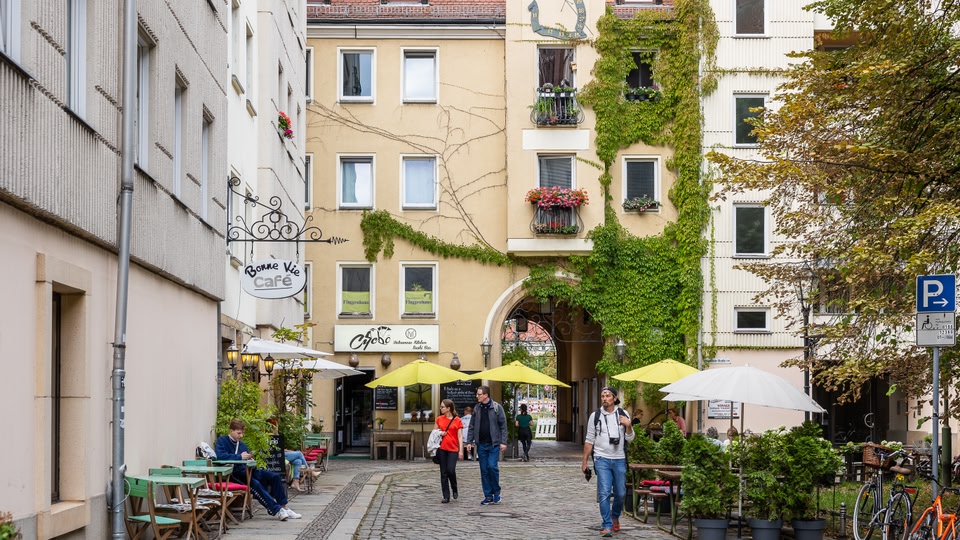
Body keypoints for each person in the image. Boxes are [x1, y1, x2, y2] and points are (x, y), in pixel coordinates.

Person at [215, 419, 302, 521]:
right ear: (231, 431)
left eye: (242, 433)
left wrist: (250, 460)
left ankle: (284, 508)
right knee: (255, 484)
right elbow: (220, 456)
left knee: (274, 476)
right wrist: (239, 457)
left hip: (248, 470)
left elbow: (244, 457)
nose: (241, 436)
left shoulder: (242, 445)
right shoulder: (222, 441)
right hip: (234, 474)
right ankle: (277, 510)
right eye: (239, 433)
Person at [582, 386, 635, 537]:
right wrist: (584, 462)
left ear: (615, 398)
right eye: (602, 395)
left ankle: (615, 515)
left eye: (608, 395)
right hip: (601, 459)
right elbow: (589, 439)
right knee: (604, 492)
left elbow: (630, 439)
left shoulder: (623, 414)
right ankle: (607, 525)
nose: (604, 398)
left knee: (620, 493)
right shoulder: (595, 415)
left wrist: (629, 426)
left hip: (619, 459)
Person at [465, 385, 508, 505]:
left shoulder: (496, 408)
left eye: (479, 394)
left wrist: (503, 442)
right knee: (484, 470)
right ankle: (488, 496)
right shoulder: (477, 408)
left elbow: (503, 426)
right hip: (481, 445)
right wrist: (469, 442)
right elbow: (472, 426)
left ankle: (497, 493)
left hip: (494, 444)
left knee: (492, 467)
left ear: (486, 395)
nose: (477, 396)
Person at [267, 418, 308, 492]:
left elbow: (280, 448)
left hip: (280, 454)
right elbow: (275, 450)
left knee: (298, 461)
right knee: (299, 453)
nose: (277, 428)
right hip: (277, 457)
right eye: (276, 426)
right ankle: (308, 470)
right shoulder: (269, 437)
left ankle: (295, 482)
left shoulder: (276, 435)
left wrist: (288, 450)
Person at [435, 399, 464, 503]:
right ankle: (446, 496)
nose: (440, 408)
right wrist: (439, 433)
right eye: (440, 407)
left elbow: (460, 436)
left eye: (442, 407)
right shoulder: (439, 419)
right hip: (442, 448)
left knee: (450, 470)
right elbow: (434, 433)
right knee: (443, 472)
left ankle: (454, 488)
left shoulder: (457, 420)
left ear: (448, 409)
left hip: (453, 449)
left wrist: (461, 451)